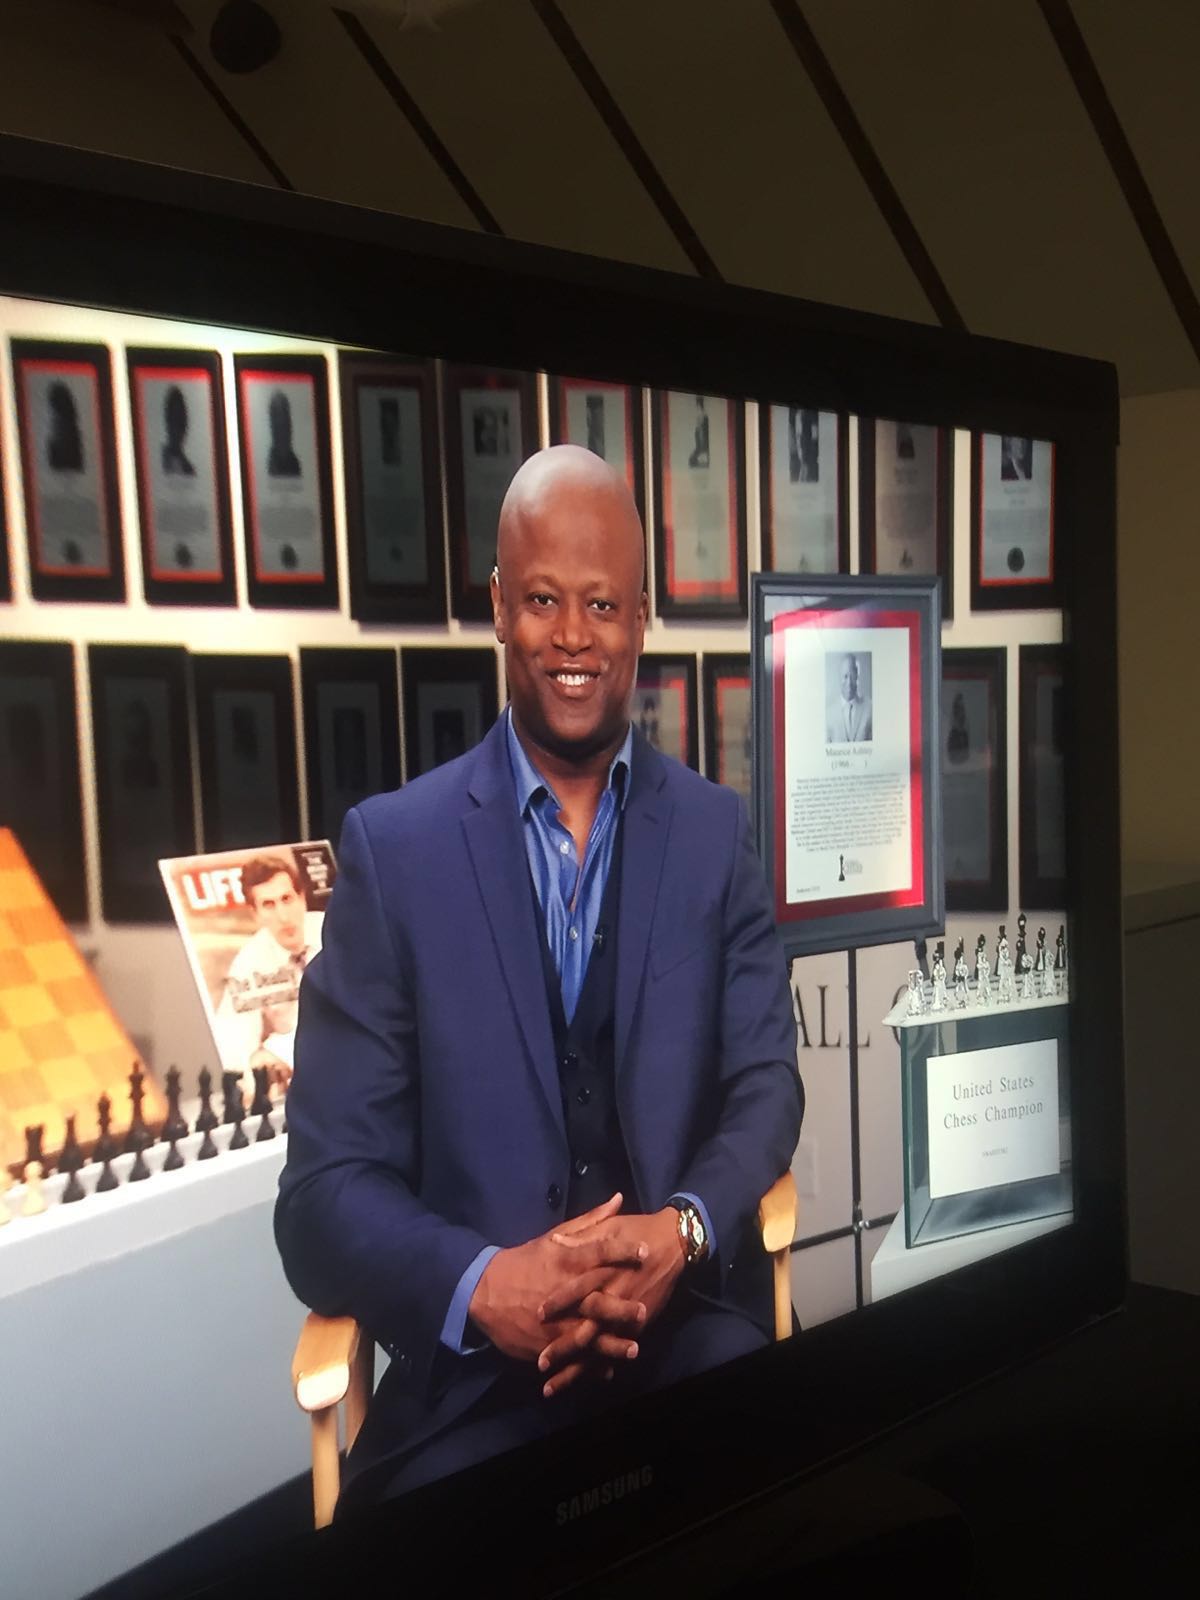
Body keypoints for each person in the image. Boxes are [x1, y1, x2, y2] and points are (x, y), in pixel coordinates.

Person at [275, 444, 802, 1512]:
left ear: (641, 615)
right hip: (475, 1394)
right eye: (545, 600)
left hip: (686, 1334)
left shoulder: (713, 832)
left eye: (602, 603)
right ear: (499, 607)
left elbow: (766, 1085)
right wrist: (483, 1286)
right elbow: (323, 1197)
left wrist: (684, 1228)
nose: (573, 636)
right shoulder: (395, 852)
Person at [216, 854, 323, 1091]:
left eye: (287, 899)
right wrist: (254, 1071)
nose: (283, 916)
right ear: (255, 913)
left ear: (302, 898)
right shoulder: (248, 962)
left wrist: (278, 1049)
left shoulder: (337, 932)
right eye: (268, 905)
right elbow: (235, 1045)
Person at [827, 653, 873, 743]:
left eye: (853, 676)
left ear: (857, 677)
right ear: (839, 678)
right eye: (845, 676)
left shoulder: (869, 708)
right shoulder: (829, 714)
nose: (849, 683)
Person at [161, 385, 196, 476]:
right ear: (168, 423)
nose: (181, 431)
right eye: (176, 423)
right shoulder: (161, 463)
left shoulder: (188, 468)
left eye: (183, 423)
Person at [266, 390, 301, 477]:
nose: (283, 427)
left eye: (286, 419)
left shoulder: (294, 464)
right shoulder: (270, 465)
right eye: (277, 418)